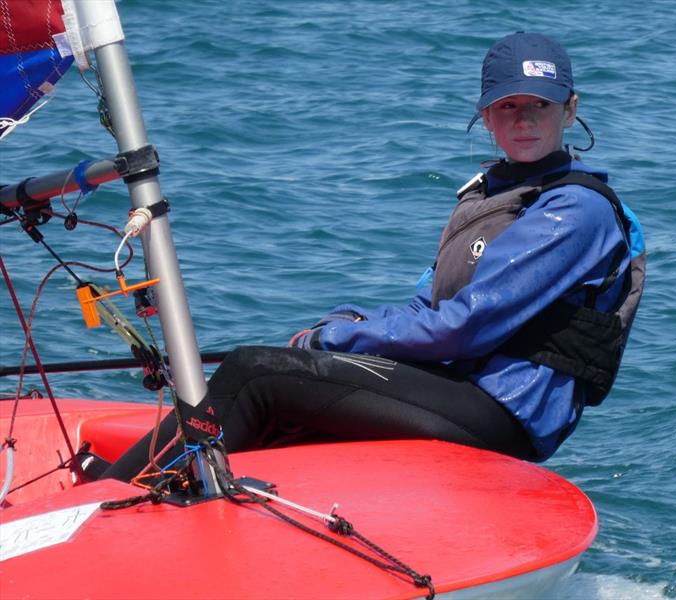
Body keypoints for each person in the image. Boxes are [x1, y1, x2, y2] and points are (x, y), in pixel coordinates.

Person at [102, 31, 645, 483]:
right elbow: (425, 306)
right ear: (485, 117)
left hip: (503, 412)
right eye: (509, 106)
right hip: (456, 386)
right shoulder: (488, 195)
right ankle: (171, 490)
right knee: (288, 377)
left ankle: (106, 497)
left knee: (252, 374)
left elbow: (465, 329)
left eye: (540, 105)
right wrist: (349, 321)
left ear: (570, 110)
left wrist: (336, 340)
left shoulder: (575, 210)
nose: (524, 119)